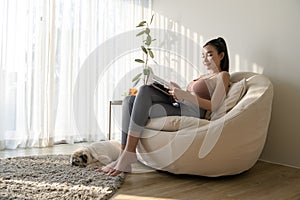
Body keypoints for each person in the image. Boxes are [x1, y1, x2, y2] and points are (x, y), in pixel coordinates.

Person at [96, 37, 231, 176]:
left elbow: (214, 105)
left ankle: (129, 154)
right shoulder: (203, 76)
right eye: (203, 55)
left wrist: (186, 96)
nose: (205, 59)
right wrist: (177, 90)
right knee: (130, 99)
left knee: (143, 91)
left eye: (209, 54)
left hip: (193, 112)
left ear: (221, 55)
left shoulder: (223, 76)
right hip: (180, 105)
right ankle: (124, 156)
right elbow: (189, 95)